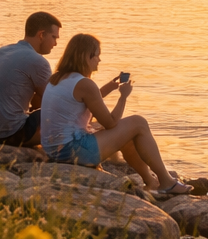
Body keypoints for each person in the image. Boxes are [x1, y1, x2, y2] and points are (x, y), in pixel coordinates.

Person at [39, 33, 192, 195]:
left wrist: (110, 87)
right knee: (138, 123)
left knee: (127, 135)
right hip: (72, 151)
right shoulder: (85, 84)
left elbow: (83, 101)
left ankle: (151, 182)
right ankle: (167, 182)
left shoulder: (58, 78)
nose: (99, 60)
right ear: (86, 57)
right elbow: (110, 123)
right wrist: (123, 96)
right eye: (97, 55)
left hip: (54, 149)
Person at [0, 12, 60, 147]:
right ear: (41, 34)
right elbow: (53, 101)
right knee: (63, 110)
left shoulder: (2, 51)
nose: (55, 43)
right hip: (11, 134)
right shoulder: (38, 61)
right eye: (54, 37)